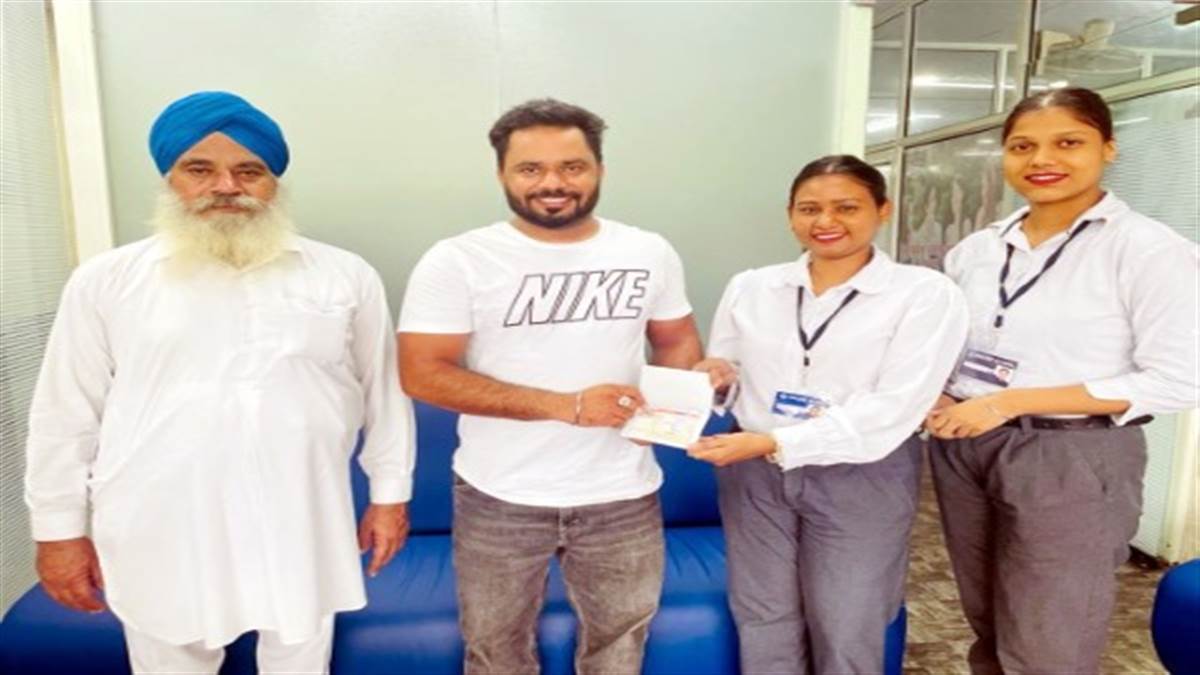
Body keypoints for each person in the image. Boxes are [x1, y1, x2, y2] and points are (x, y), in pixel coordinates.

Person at [25, 91, 415, 675]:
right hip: (162, 519)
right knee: (171, 656)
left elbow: (384, 393)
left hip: (300, 510)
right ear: (170, 178)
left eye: (248, 171)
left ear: (274, 181)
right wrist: (58, 531)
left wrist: (390, 496)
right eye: (200, 169)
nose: (226, 186)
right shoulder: (106, 281)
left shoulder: (342, 275)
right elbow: (65, 414)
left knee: (299, 653)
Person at [397, 98, 702, 674]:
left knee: (620, 648)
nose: (553, 183)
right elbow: (422, 372)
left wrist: (667, 410)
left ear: (599, 169)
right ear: (502, 174)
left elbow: (677, 339)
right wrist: (566, 406)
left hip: (623, 493)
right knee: (495, 652)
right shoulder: (458, 260)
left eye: (572, 166)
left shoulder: (648, 251)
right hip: (499, 496)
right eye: (530, 168)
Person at [926, 87, 1199, 674]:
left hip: (1072, 453)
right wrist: (943, 392)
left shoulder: (1149, 250)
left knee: (1049, 635)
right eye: (1022, 146)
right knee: (987, 619)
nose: (1042, 159)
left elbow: (1179, 378)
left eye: (1068, 143)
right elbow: (950, 343)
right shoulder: (977, 249)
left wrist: (1008, 402)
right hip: (966, 446)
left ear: (1109, 148)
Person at [689, 155, 969, 674]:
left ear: (882, 210)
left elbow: (898, 404)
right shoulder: (752, 286)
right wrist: (718, 376)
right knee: (763, 613)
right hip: (753, 474)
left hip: (862, 472)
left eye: (847, 207)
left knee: (848, 619)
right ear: (790, 215)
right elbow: (731, 369)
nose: (826, 221)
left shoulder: (924, 294)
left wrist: (778, 442)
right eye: (809, 208)